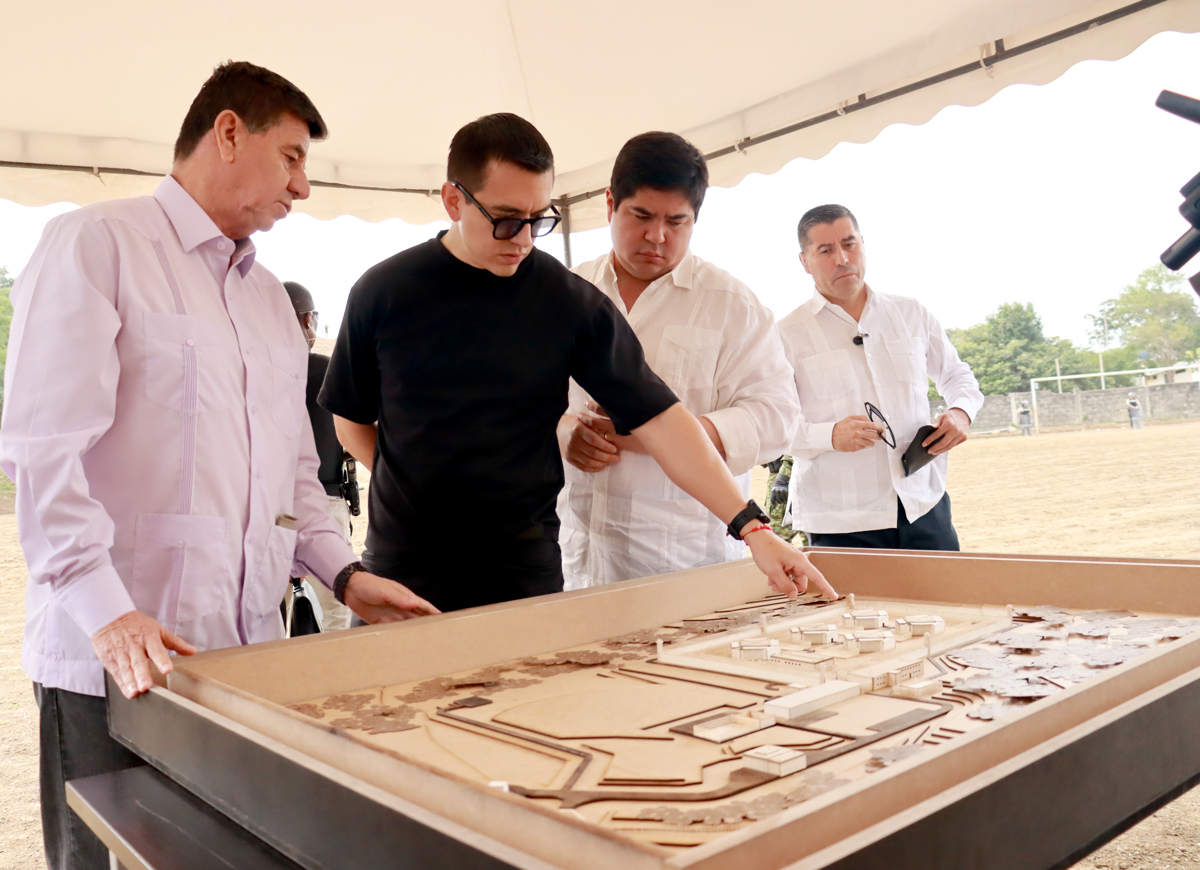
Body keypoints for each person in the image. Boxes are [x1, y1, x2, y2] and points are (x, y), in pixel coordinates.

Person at [0, 62, 436, 870]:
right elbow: (42, 451)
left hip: (241, 666)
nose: (303, 187)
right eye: (293, 156)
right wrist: (108, 613)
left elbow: (294, 475)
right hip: (113, 664)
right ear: (228, 132)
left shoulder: (271, 300)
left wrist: (343, 575)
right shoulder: (97, 246)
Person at [321, 114, 834, 615]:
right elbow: (351, 419)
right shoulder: (383, 292)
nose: (522, 239)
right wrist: (415, 490)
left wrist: (753, 528)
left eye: (538, 219)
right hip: (403, 565)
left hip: (522, 574)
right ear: (453, 200)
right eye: (505, 219)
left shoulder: (568, 302)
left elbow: (661, 420)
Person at [556, 132, 800, 588]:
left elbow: (776, 420)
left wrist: (658, 435)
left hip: (686, 564)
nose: (656, 236)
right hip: (579, 561)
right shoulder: (567, 292)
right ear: (610, 205)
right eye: (641, 216)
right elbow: (528, 400)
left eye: (676, 221)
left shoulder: (731, 305)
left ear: (696, 219)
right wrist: (564, 429)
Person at [778, 204, 983, 551]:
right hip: (841, 519)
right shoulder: (785, 334)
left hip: (923, 503)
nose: (842, 258)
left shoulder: (910, 312)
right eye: (825, 250)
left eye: (849, 243)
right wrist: (829, 434)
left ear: (862, 244)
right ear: (804, 261)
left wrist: (961, 413)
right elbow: (772, 425)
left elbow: (957, 376)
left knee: (945, 604)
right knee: (853, 608)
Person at [283, 280, 355, 631]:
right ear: (309, 319)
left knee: (271, 611)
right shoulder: (328, 368)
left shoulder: (254, 370)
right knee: (337, 610)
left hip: (269, 507)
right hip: (326, 501)